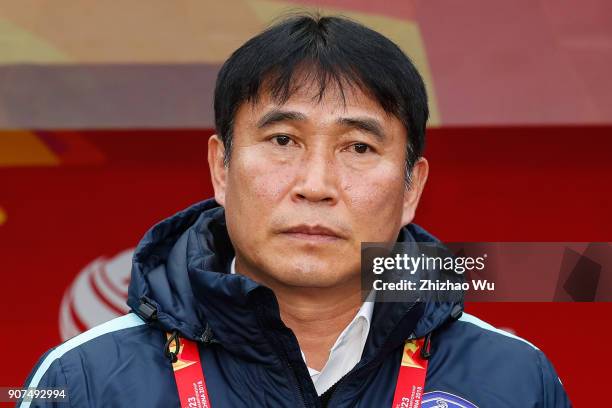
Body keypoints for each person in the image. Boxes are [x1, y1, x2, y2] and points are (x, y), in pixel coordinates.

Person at [21, 14, 570, 407]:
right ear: (221, 167)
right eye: (283, 140)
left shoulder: (515, 379)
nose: (316, 185)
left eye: (358, 147)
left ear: (410, 188)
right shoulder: (86, 382)